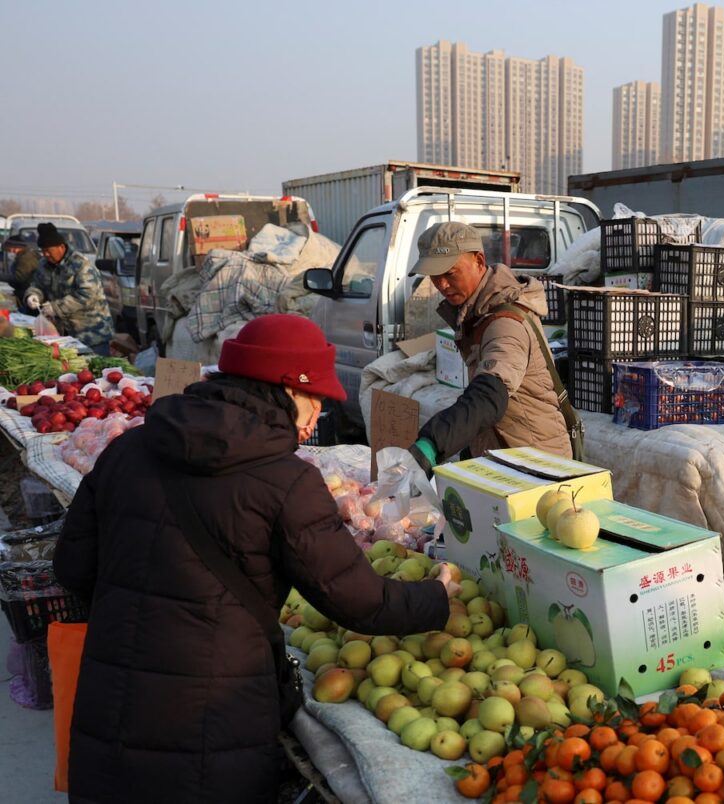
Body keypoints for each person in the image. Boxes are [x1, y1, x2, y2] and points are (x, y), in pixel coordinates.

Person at [54, 314, 456, 804]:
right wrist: (436, 597)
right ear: (284, 389)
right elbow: (359, 601)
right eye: (314, 399)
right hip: (216, 726)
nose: (316, 417)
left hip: (110, 710)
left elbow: (72, 568)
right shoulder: (286, 482)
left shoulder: (128, 449)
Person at [407, 221, 573, 470]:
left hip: (539, 467)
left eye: (450, 273)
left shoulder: (506, 324)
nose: (441, 285)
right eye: (434, 276)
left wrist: (432, 443)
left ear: (479, 261)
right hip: (510, 459)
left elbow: (489, 395)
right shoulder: (478, 313)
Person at [25, 222, 113, 355]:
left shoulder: (80, 264)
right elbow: (37, 285)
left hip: (91, 333)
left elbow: (88, 295)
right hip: (63, 335)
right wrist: (33, 295)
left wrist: (56, 308)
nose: (46, 254)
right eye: (43, 251)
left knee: (97, 366)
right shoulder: (44, 265)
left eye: (48, 250)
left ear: (61, 247)